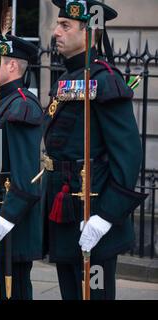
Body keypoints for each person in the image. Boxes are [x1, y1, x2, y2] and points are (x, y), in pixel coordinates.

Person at [41, 0, 146, 300]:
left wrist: (105, 216)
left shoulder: (105, 81)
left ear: (90, 33)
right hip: (64, 209)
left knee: (94, 294)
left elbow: (128, 155)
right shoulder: (64, 79)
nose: (56, 32)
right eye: (57, 24)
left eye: (65, 26)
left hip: (94, 210)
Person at [0, 34, 43, 300]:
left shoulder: (22, 105)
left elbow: (27, 174)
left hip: (10, 215)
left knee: (13, 291)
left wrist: (8, 215)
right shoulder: (0, 104)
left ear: (12, 66)